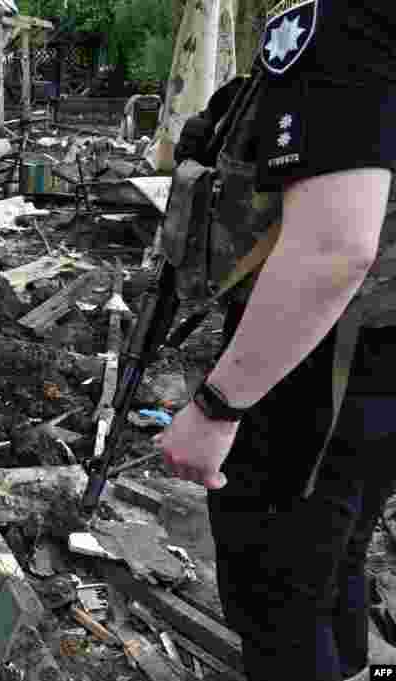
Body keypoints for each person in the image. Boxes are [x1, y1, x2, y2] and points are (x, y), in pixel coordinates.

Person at [157, 2, 396, 680]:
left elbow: (334, 248)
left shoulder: (341, 20)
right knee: (335, 556)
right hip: (372, 355)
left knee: (275, 586)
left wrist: (216, 406)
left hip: (328, 357)